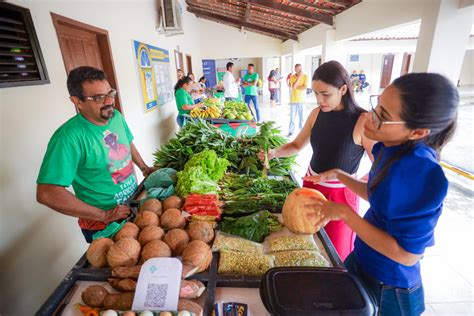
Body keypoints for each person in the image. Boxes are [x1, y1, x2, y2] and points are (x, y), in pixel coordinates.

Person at [305, 72, 458, 315]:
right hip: (363, 261)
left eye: (383, 115)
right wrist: (340, 175)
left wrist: (344, 213)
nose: (370, 116)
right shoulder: (391, 147)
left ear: (417, 132)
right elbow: (381, 197)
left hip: (389, 287)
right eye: (378, 105)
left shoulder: (421, 174)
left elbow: (407, 255)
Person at [260, 61, 375, 260]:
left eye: (326, 94)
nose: (320, 100)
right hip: (310, 189)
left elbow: (381, 166)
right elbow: (296, 145)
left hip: (340, 196)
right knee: (307, 246)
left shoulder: (362, 120)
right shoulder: (316, 114)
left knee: (335, 253)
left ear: (343, 89)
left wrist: (358, 185)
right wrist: (273, 152)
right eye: (315, 93)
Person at [36, 66, 155, 243]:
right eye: (99, 97)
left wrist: (144, 167)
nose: (109, 101)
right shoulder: (68, 138)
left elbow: (127, 142)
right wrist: (104, 215)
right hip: (103, 225)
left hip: (133, 204)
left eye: (110, 93)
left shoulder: (115, 117)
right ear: (78, 101)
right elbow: (47, 192)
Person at [288, 64, 308, 137]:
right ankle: (291, 131)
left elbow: (304, 87)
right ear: (295, 69)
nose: (299, 70)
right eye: (298, 69)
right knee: (292, 117)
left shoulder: (305, 76)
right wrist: (299, 77)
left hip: (301, 100)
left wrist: (297, 86)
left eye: (300, 69)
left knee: (301, 117)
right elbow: (294, 86)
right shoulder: (292, 77)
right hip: (293, 100)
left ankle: (302, 132)